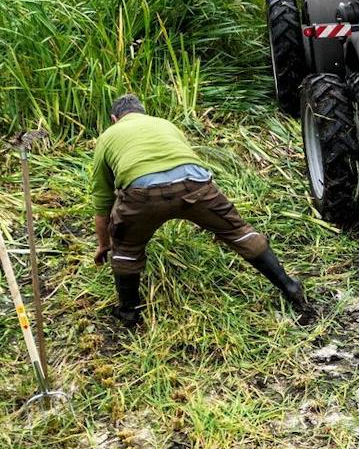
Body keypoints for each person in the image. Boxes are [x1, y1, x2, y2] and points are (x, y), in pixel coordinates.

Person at [89, 94, 311, 326]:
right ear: (143, 113)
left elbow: (102, 201)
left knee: (127, 251)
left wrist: (105, 245)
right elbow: (188, 161)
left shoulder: (108, 137)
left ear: (115, 119)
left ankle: (129, 314)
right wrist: (215, 223)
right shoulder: (166, 125)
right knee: (240, 233)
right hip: (196, 186)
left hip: (142, 194)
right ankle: (290, 286)